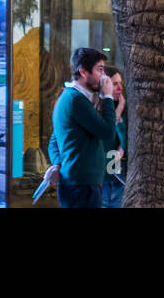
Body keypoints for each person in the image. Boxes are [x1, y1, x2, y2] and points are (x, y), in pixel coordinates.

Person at [47, 47, 116, 208]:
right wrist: (108, 97)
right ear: (83, 72)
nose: (104, 77)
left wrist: (58, 163)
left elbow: (55, 139)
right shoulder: (76, 100)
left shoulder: (70, 98)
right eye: (99, 70)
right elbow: (107, 133)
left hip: (78, 184)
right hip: (82, 186)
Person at [101, 65, 127, 208]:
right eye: (115, 84)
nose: (120, 88)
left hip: (118, 175)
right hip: (101, 177)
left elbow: (125, 141)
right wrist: (116, 115)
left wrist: (119, 112)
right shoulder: (97, 107)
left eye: (120, 84)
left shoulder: (124, 109)